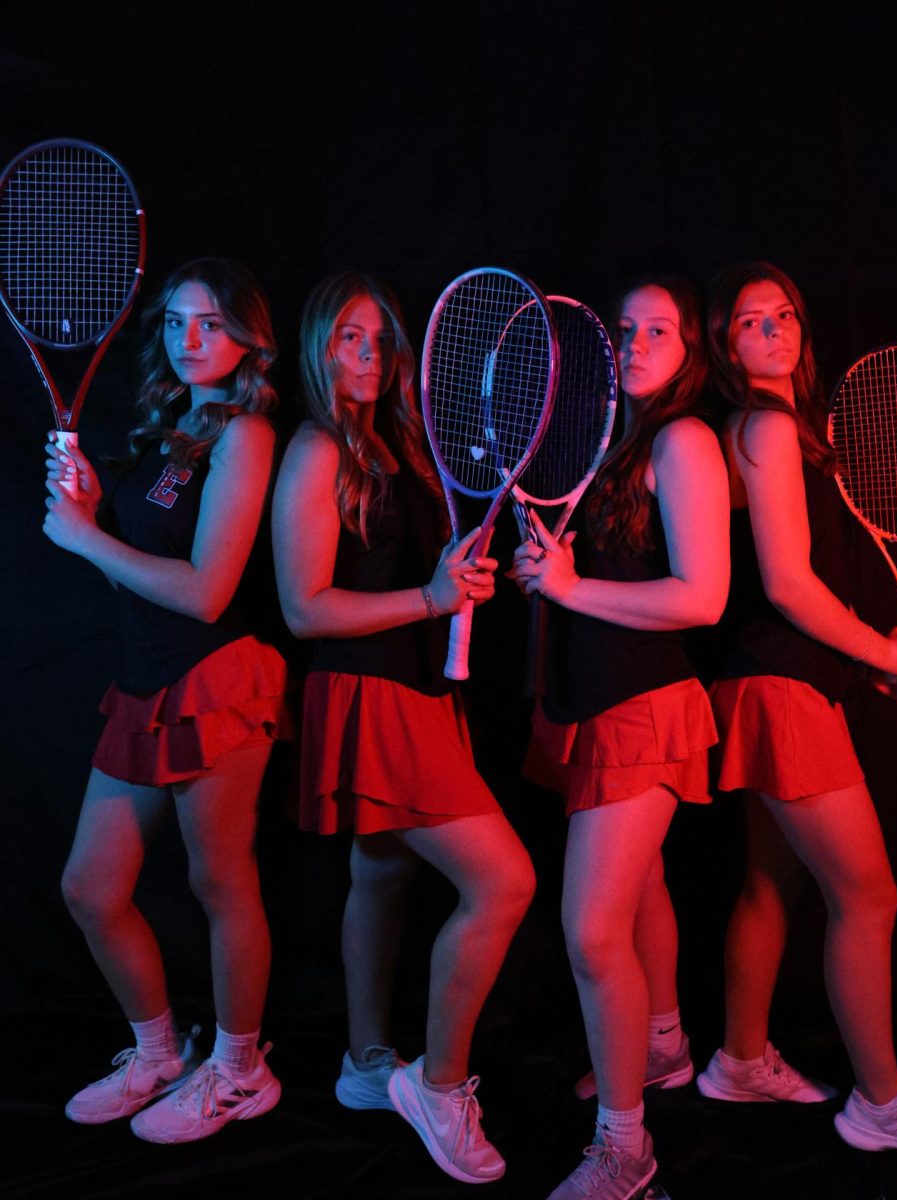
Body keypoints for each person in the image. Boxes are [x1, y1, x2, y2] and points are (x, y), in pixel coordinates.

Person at [272, 272, 535, 1185]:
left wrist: (450, 586)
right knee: (504, 881)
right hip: (368, 694)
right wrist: (425, 597)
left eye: (382, 339)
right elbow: (302, 608)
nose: (371, 356)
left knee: (379, 872)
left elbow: (408, 576)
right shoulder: (315, 450)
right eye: (350, 337)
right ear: (317, 346)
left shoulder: (392, 445)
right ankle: (440, 1081)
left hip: (422, 692)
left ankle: (363, 1064)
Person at [698, 261, 897, 1161]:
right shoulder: (763, 426)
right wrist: (881, 651)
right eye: (748, 322)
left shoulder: (790, 431)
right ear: (723, 344)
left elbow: (800, 604)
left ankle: (736, 1059)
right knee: (867, 894)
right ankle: (879, 1103)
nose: (774, 332)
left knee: (773, 881)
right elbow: (784, 585)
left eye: (784, 315)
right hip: (775, 691)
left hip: (770, 681)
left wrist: (874, 672)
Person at [44, 259, 287, 1144]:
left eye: (212, 325)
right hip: (145, 683)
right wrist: (95, 512)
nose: (190, 340)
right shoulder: (177, 428)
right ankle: (159, 1054)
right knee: (90, 888)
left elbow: (206, 593)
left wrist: (81, 540)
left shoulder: (247, 433)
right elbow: (138, 583)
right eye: (178, 322)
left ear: (248, 340)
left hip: (216, 678)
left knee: (219, 881)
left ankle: (240, 1069)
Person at [512, 278, 729, 1199]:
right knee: (639, 894)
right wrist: (544, 572)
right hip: (588, 706)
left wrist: (567, 589)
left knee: (590, 930)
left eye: (659, 331)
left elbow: (700, 597)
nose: (636, 344)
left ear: (690, 352)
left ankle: (625, 1152)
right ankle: (662, 1050)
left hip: (646, 708)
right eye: (625, 329)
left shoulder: (681, 439)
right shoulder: (605, 442)